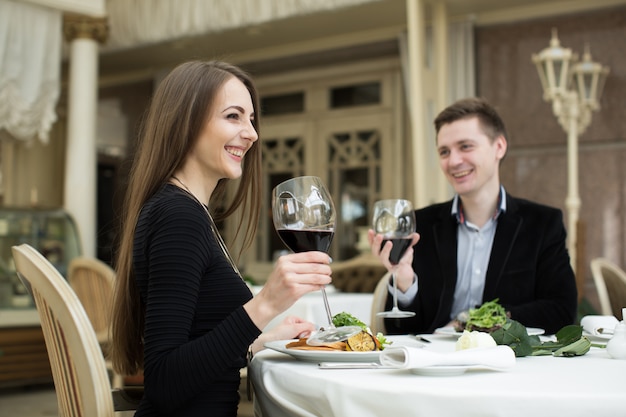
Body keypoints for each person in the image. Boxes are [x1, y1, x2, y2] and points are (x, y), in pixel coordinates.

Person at [110, 60, 333, 417]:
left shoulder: (188, 211)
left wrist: (259, 340)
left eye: (251, 120)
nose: (252, 133)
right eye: (233, 116)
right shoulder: (177, 216)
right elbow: (164, 383)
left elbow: (196, 351)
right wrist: (263, 306)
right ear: (185, 121)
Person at [369, 97, 578, 335]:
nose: (454, 161)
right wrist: (404, 281)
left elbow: (562, 312)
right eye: (444, 151)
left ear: (499, 147)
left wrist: (475, 322)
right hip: (436, 363)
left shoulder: (542, 224)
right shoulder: (421, 226)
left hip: (508, 365)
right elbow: (403, 332)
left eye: (465, 146)